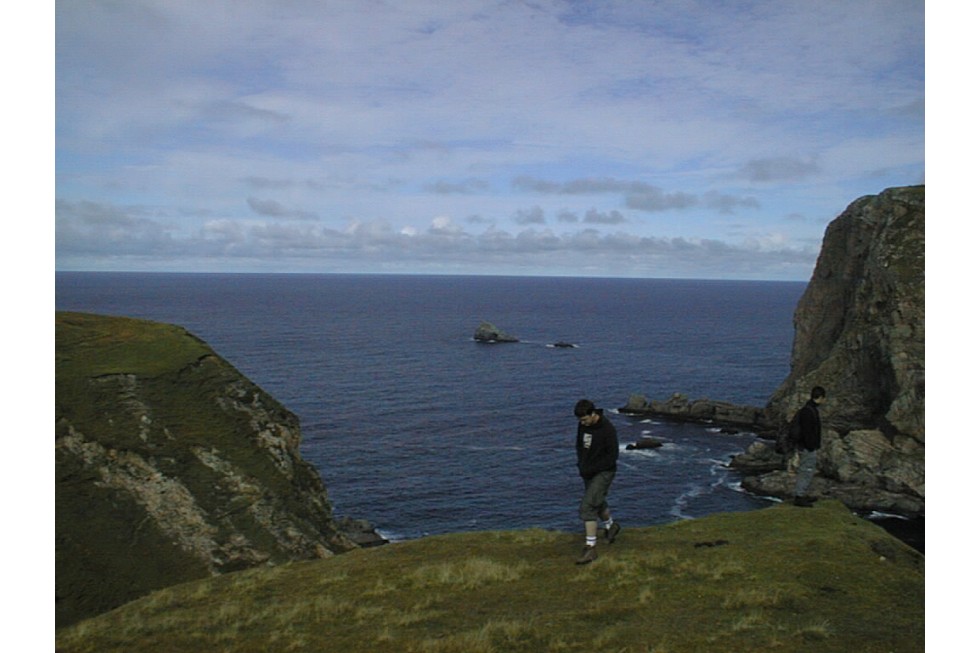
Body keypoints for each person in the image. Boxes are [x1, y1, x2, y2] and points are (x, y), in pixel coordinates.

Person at [573, 399, 621, 564]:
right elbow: (580, 445)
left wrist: (593, 468)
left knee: (588, 507)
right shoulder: (583, 425)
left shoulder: (607, 429)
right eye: (580, 420)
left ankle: (590, 548)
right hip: (587, 472)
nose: (582, 423)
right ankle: (611, 526)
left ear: (593, 414)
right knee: (597, 501)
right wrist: (582, 465)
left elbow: (612, 456)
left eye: (585, 419)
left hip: (604, 472)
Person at [792, 386, 826, 507]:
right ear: (820, 397)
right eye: (824, 398)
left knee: (807, 470)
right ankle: (799, 496)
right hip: (807, 447)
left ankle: (801, 494)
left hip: (806, 446)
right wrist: (811, 446)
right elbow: (807, 431)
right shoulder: (809, 411)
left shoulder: (808, 409)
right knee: (806, 470)